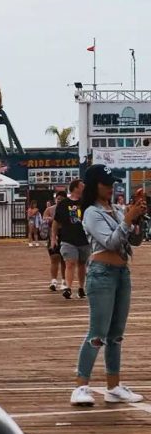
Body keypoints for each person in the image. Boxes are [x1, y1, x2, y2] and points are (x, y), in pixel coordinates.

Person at [70, 165, 147, 406]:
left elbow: (135, 241)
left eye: (112, 183)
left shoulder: (114, 209)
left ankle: (113, 386)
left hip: (122, 273)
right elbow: (111, 242)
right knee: (97, 334)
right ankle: (81, 386)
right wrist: (127, 219)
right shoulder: (92, 213)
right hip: (102, 273)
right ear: (94, 185)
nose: (110, 187)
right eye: (106, 183)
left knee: (116, 336)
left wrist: (138, 218)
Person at [55, 179, 88, 299]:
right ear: (75, 188)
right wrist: (53, 238)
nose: (84, 187)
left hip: (84, 239)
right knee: (70, 263)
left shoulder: (86, 203)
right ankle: (68, 288)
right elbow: (56, 222)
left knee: (82, 264)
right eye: (82, 186)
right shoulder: (63, 204)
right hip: (68, 238)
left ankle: (81, 287)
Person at [46, 193, 66, 292]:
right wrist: (50, 220)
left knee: (64, 260)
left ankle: (64, 281)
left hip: (66, 235)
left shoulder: (68, 209)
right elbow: (45, 218)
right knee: (54, 258)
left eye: (62, 199)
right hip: (53, 235)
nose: (59, 201)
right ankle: (53, 280)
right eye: (58, 199)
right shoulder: (50, 209)